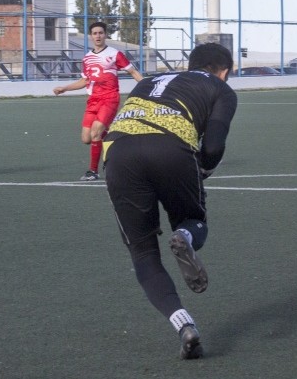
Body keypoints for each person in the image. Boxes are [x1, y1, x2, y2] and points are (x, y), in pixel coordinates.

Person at [102, 42, 237, 360]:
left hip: (118, 152)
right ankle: (185, 236)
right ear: (225, 72)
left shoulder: (148, 80)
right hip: (170, 148)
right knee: (194, 222)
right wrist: (201, 169)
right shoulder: (220, 88)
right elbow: (215, 146)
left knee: (143, 251)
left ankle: (184, 324)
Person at [52, 21, 143, 180]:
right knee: (86, 138)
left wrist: (147, 86)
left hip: (109, 99)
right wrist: (64, 88)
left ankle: (93, 171)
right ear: (91, 36)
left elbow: (133, 72)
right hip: (93, 100)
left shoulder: (115, 54)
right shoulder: (87, 58)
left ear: (105, 34)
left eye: (101, 33)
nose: (98, 36)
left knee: (95, 133)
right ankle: (112, 136)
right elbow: (84, 81)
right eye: (95, 33)